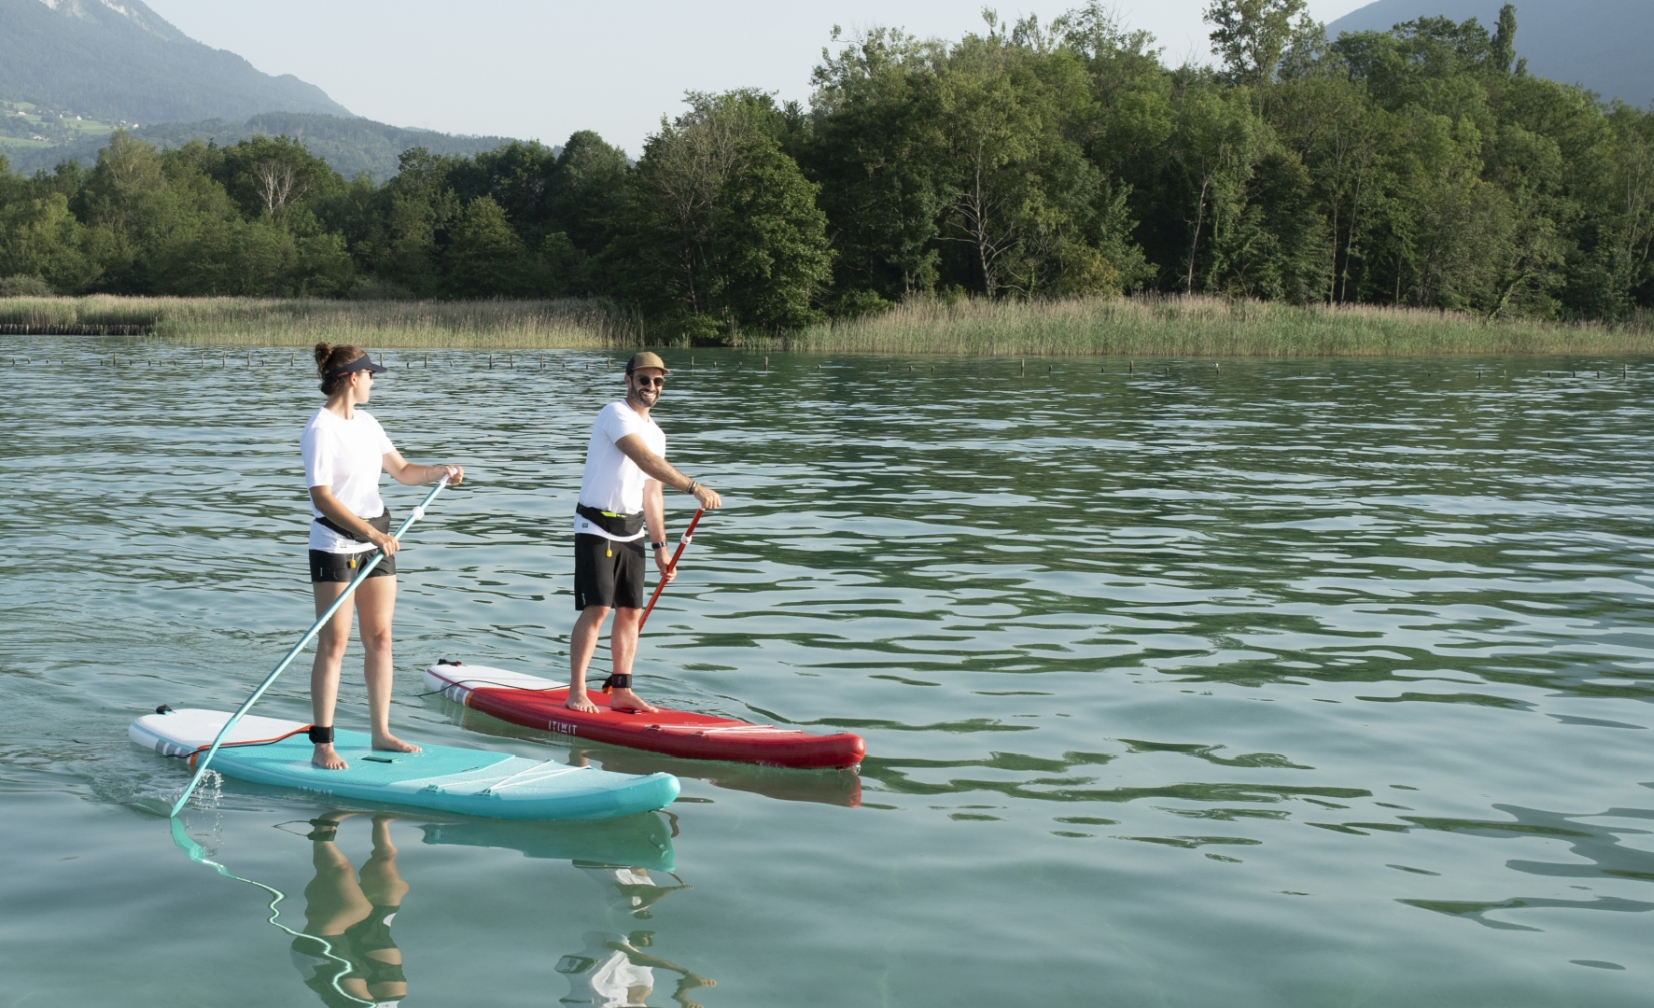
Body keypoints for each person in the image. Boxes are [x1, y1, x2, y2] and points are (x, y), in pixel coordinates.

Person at [303, 343, 464, 769]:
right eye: (370, 374)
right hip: (337, 543)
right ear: (351, 378)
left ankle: (381, 733)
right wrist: (370, 533)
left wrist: (441, 470)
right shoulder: (320, 429)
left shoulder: (368, 423)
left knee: (380, 638)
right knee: (334, 643)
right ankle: (323, 744)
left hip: (377, 541)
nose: (374, 380)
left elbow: (404, 471)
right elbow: (321, 498)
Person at [568, 351, 720, 714]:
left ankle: (621, 690)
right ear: (628, 381)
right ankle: (577, 692)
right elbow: (642, 459)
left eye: (658, 381)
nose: (651, 387)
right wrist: (694, 487)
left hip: (632, 529)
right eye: (643, 380)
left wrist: (660, 547)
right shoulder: (614, 413)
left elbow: (652, 491)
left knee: (631, 611)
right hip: (595, 524)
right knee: (599, 607)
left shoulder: (658, 433)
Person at [290, 812, 413, 1008]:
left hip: (319, 950)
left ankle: (324, 828)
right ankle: (381, 821)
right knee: (390, 882)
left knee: (345, 884)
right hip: (381, 989)